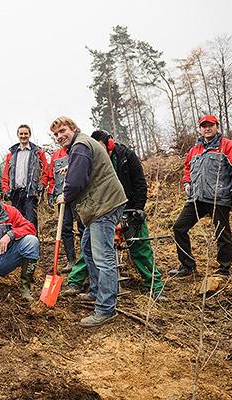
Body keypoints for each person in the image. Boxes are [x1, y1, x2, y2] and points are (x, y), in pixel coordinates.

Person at [65, 131, 166, 300]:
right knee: (90, 247)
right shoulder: (91, 156)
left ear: (109, 144)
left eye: (101, 146)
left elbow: (140, 183)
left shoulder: (126, 156)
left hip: (129, 208)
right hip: (103, 209)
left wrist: (139, 209)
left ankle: (156, 287)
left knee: (140, 248)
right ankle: (75, 281)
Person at [51, 117, 127, 327]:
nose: (59, 136)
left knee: (103, 258)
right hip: (99, 205)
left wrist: (65, 195)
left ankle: (106, 308)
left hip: (104, 204)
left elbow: (76, 182)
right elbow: (83, 169)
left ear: (74, 129)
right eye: (56, 134)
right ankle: (95, 291)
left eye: (63, 131)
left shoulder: (81, 145)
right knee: (88, 248)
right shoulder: (80, 146)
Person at [171, 115, 232, 278]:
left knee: (222, 232)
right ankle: (188, 266)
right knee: (179, 227)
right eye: (204, 126)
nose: (207, 128)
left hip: (218, 198)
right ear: (200, 129)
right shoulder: (195, 150)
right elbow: (187, 168)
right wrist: (187, 183)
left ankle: (224, 270)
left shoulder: (228, 146)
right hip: (196, 198)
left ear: (217, 127)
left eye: (211, 125)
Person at [1, 124, 48, 233]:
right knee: (15, 224)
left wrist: (42, 184)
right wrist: (5, 190)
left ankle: (32, 249)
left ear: (30, 135)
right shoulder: (11, 155)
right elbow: (5, 176)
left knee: (31, 223)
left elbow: (45, 171)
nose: (23, 136)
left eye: (25, 133)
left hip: (30, 194)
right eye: (21, 133)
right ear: (17, 135)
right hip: (15, 194)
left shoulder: (37, 152)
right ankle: (18, 248)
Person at [46, 145, 85, 274]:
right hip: (60, 195)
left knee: (82, 227)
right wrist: (51, 193)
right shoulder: (56, 155)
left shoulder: (77, 151)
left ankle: (85, 259)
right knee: (65, 227)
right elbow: (51, 177)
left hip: (77, 195)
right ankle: (71, 260)